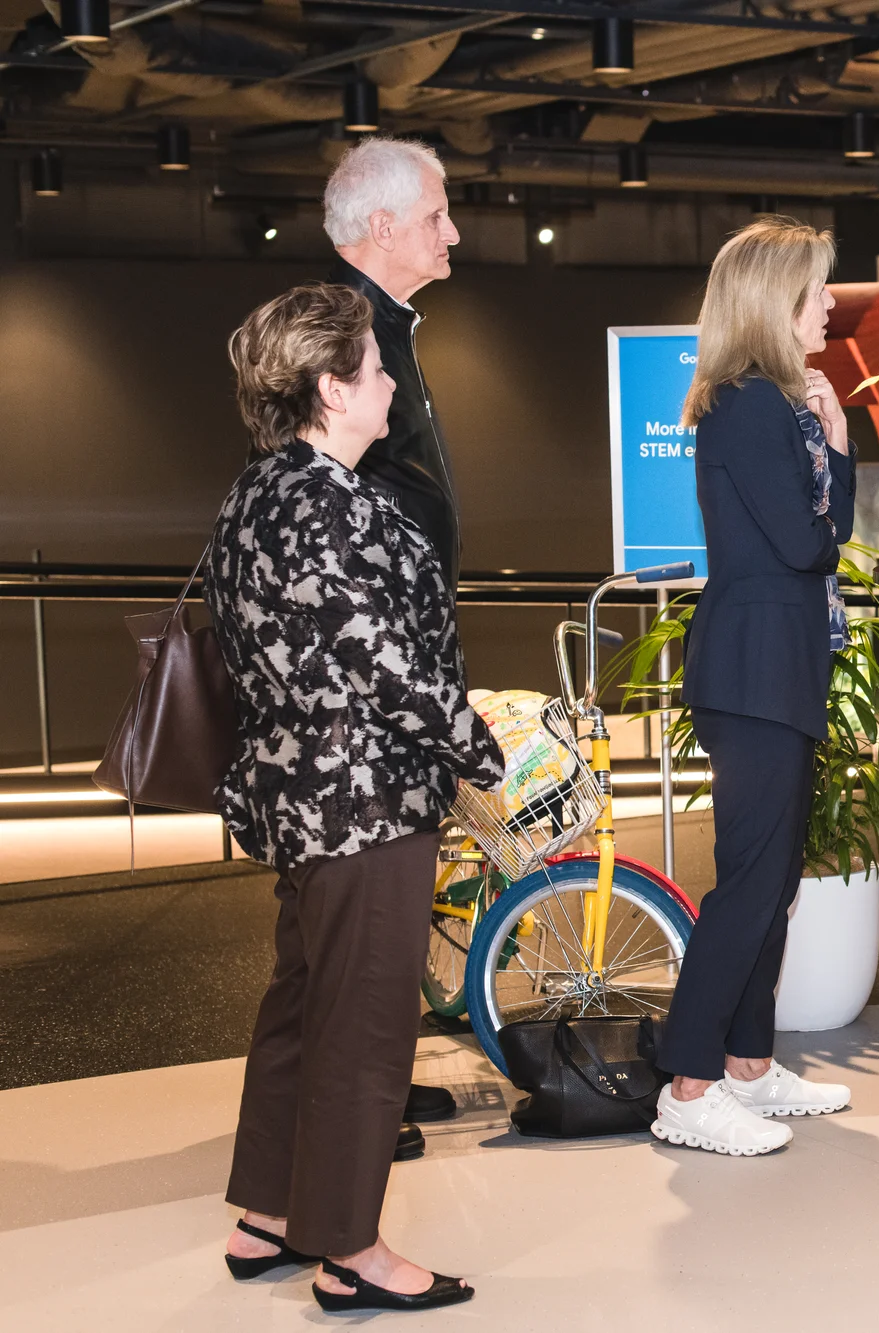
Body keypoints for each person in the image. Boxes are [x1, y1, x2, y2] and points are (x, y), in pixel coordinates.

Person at [212, 283, 504, 1311]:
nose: (390, 386)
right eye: (376, 369)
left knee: (301, 1002)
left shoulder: (256, 493)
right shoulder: (329, 502)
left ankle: (270, 1215)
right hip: (365, 801)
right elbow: (382, 664)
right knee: (364, 1023)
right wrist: (478, 741)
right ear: (333, 387)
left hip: (298, 801)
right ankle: (350, 1248)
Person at [647, 217, 856, 1155]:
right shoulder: (750, 406)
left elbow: (819, 535)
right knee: (748, 886)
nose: (831, 304)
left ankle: (745, 1065)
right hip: (755, 672)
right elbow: (812, 544)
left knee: (770, 884)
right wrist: (831, 444)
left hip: (774, 668)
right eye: (818, 290)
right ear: (777, 300)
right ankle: (690, 1087)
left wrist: (834, 437)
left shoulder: (769, 404)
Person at [323, 135, 467, 1145]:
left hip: (399, 659)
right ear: (380, 227)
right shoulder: (341, 334)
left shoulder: (386, 326)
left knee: (394, 896)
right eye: (435, 216)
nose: (452, 232)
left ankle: (381, 1071)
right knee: (365, 908)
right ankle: (358, 1101)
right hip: (376, 679)